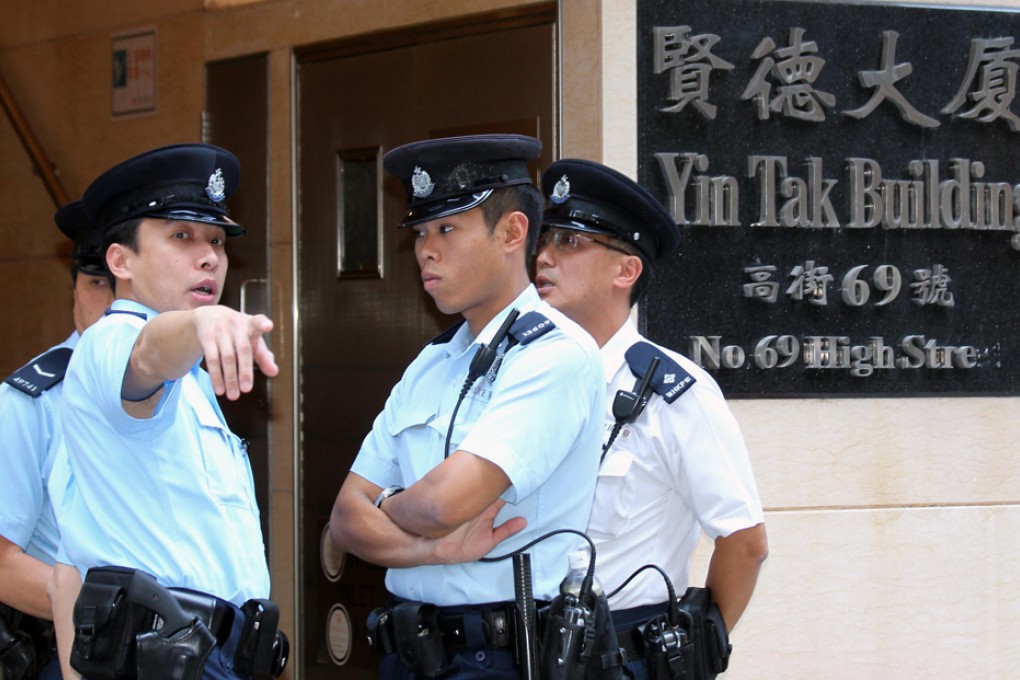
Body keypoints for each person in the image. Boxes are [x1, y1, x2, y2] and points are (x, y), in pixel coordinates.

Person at [330, 134, 606, 679]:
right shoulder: (432, 363)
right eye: (420, 232)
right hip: (409, 648)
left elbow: (441, 505)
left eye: (447, 229)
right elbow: (344, 520)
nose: (425, 250)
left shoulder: (556, 355)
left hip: (500, 652)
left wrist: (383, 503)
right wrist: (432, 551)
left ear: (512, 232)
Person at [47, 143, 286, 680]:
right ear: (120, 261)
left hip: (214, 654)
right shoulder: (110, 340)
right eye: (181, 236)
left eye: (217, 241)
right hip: (164, 651)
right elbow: (145, 354)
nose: (209, 257)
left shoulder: (191, 375)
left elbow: (66, 571)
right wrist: (201, 324)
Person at [534, 159, 769, 679]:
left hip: (620, 654)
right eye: (545, 239)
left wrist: (694, 656)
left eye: (568, 242)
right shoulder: (524, 379)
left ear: (626, 271)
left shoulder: (674, 394)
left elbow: (745, 542)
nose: (543, 256)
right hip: (521, 651)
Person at [0, 201, 113, 679]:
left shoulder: (190, 388)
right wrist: (118, 616)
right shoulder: (32, 401)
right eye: (96, 283)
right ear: (73, 290)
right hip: (75, 652)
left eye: (124, 287)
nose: (112, 304)